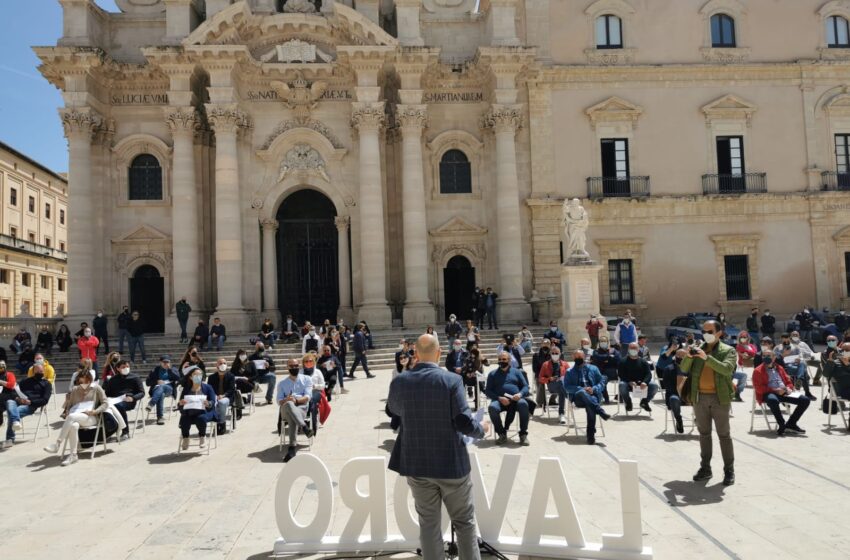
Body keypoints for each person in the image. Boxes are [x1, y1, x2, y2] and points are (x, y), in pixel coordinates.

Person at [387, 334, 489, 560]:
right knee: (464, 522)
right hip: (450, 464)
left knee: (429, 525)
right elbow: (462, 421)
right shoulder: (451, 380)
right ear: (439, 353)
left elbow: (393, 410)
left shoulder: (400, 381)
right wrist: (481, 428)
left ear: (415, 354)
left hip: (417, 464)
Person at [678, 320, 737, 486]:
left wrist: (707, 358)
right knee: (704, 435)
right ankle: (705, 468)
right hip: (700, 398)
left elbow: (726, 369)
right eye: (704, 331)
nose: (706, 334)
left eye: (710, 331)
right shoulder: (699, 348)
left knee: (724, 435)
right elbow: (683, 367)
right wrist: (689, 356)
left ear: (719, 332)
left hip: (720, 398)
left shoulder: (728, 350)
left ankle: (729, 470)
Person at [44, 370, 109, 466]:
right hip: (76, 416)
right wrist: (67, 411)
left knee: (71, 417)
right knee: (73, 426)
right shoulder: (75, 389)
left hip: (91, 417)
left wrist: (95, 411)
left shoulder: (96, 388)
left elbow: (105, 403)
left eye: (86, 381)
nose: (83, 384)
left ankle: (57, 444)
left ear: (90, 380)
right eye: (81, 381)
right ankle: (73, 455)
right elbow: (70, 406)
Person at [753, 338, 810, 435]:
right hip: (769, 393)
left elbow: (788, 381)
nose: (766, 357)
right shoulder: (758, 371)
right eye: (764, 356)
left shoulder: (779, 368)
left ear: (774, 357)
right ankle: (781, 423)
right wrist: (775, 390)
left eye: (769, 356)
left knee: (805, 400)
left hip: (784, 392)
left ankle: (791, 423)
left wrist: (789, 388)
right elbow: (759, 388)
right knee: (772, 400)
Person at [563, 349, 610, 444]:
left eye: (580, 357)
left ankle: (590, 435)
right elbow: (567, 387)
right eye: (576, 357)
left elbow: (601, 382)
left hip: (593, 395)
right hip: (579, 398)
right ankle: (600, 411)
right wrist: (581, 388)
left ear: (584, 357)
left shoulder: (593, 368)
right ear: (573, 358)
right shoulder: (569, 371)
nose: (578, 359)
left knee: (590, 405)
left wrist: (593, 389)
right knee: (582, 393)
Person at [485, 351, 530, 445]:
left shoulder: (517, 372)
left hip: (516, 400)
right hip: (499, 400)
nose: (501, 361)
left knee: (523, 404)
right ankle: (501, 434)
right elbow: (488, 391)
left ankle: (523, 434)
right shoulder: (492, 374)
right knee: (492, 408)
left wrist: (520, 394)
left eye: (504, 359)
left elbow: (525, 386)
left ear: (509, 360)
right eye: (499, 359)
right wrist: (499, 398)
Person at [3, 363, 52, 448]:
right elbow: (14, 392)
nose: (40, 372)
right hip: (19, 401)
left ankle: (10, 439)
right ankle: (16, 422)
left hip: (30, 405)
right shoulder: (25, 381)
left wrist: (31, 402)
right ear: (33, 371)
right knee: (10, 401)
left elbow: (45, 400)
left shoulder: (46, 384)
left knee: (13, 412)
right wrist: (18, 399)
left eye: (41, 371)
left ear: (44, 371)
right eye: (38, 371)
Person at [277, 358, 314, 462]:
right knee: (289, 404)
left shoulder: (307, 379)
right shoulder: (282, 383)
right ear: (287, 367)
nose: (294, 368)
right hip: (286, 408)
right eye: (292, 366)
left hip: (301, 408)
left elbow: (308, 397)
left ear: (299, 366)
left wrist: (296, 401)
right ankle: (304, 427)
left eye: (296, 366)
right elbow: (279, 401)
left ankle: (292, 448)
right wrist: (287, 399)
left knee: (292, 417)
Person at [103, 360, 145, 441]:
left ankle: (125, 432)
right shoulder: (113, 379)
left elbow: (142, 392)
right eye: (123, 367)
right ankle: (108, 431)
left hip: (128, 400)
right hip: (114, 401)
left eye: (127, 367)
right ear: (118, 368)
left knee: (119, 406)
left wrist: (133, 398)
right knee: (103, 407)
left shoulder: (135, 377)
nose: (126, 368)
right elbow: (107, 393)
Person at [177, 365, 217, 450]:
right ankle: (186, 438)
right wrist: (181, 403)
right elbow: (180, 403)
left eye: (200, 375)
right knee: (184, 419)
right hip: (189, 412)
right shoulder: (186, 389)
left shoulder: (207, 387)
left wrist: (208, 403)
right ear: (191, 377)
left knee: (201, 418)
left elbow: (213, 401)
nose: (198, 377)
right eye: (196, 375)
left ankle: (202, 437)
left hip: (204, 412)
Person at [775, 332, 816, 401]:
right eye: (783, 339)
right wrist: (783, 355)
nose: (785, 340)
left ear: (789, 339)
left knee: (802, 364)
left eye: (787, 338)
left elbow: (801, 356)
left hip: (795, 365)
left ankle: (799, 380)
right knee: (804, 372)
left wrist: (799, 359)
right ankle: (806, 391)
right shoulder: (778, 348)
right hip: (785, 367)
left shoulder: (795, 347)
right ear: (781, 339)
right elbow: (775, 359)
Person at [618, 342, 657, 412]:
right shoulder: (623, 361)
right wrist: (629, 381)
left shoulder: (643, 361)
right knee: (621, 385)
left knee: (654, 386)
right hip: (628, 383)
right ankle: (628, 402)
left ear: (638, 350)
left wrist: (645, 382)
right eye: (631, 348)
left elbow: (648, 374)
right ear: (628, 349)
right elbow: (621, 374)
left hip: (641, 384)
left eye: (634, 348)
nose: (633, 350)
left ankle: (644, 402)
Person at [660, 349, 689, 433]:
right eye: (679, 356)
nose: (681, 358)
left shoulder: (690, 369)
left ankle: (699, 420)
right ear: (676, 357)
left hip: (688, 396)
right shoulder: (668, 369)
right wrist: (680, 394)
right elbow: (667, 386)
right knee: (673, 398)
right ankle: (679, 420)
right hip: (675, 395)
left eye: (684, 356)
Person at [145, 355, 180, 425]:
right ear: (160, 362)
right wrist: (156, 382)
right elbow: (147, 382)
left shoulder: (173, 369)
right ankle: (160, 417)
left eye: (167, 362)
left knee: (162, 386)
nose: (166, 364)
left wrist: (170, 370)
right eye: (164, 362)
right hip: (156, 389)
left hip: (169, 389)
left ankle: (151, 403)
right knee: (161, 394)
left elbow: (178, 379)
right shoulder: (155, 370)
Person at [538, 345, 569, 423]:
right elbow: (540, 378)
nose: (555, 354)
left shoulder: (565, 364)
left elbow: (570, 375)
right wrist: (549, 379)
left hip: (562, 386)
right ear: (550, 354)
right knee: (562, 386)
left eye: (556, 353)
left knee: (561, 387)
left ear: (560, 354)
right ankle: (571, 399)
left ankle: (561, 414)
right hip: (552, 385)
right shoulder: (545, 364)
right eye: (553, 353)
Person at [208, 357, 235, 435]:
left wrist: (223, 395)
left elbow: (232, 389)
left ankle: (222, 423)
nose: (222, 365)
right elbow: (209, 390)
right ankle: (216, 423)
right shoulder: (211, 377)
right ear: (217, 366)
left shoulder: (231, 376)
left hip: (227, 398)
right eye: (220, 363)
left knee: (222, 403)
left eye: (224, 363)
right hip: (215, 397)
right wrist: (215, 396)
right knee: (215, 403)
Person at [591, 335, 620, 403]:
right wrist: (609, 357)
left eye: (604, 341)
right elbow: (596, 357)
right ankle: (606, 397)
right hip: (601, 372)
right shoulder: (596, 351)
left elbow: (618, 359)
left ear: (608, 342)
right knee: (602, 379)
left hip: (612, 372)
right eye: (601, 341)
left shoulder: (613, 350)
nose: (603, 342)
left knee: (623, 380)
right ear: (599, 343)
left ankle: (619, 397)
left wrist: (604, 359)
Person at [733, 331, 756, 402]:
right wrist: (749, 353)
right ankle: (737, 392)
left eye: (744, 337)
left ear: (747, 338)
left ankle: (737, 392)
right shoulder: (739, 346)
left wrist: (747, 353)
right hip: (743, 363)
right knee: (743, 377)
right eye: (741, 337)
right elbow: (743, 352)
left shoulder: (751, 346)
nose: (743, 339)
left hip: (752, 362)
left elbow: (754, 352)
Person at [532, 338, 552, 408]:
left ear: (550, 345)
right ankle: (541, 402)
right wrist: (542, 375)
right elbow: (535, 369)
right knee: (540, 382)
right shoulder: (536, 355)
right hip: (540, 374)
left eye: (547, 344)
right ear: (541, 345)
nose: (545, 345)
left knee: (558, 383)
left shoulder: (554, 353)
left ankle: (552, 400)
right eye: (544, 343)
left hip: (551, 374)